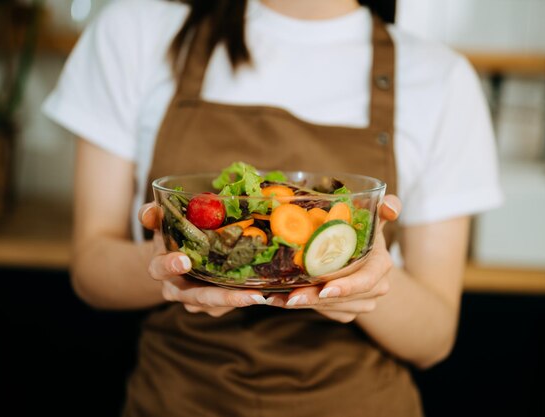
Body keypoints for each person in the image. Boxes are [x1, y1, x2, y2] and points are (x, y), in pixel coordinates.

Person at [43, 0, 503, 415]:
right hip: (178, 399)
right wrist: (185, 261)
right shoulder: (135, 33)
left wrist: (359, 277)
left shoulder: (440, 77)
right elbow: (91, 270)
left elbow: (434, 337)